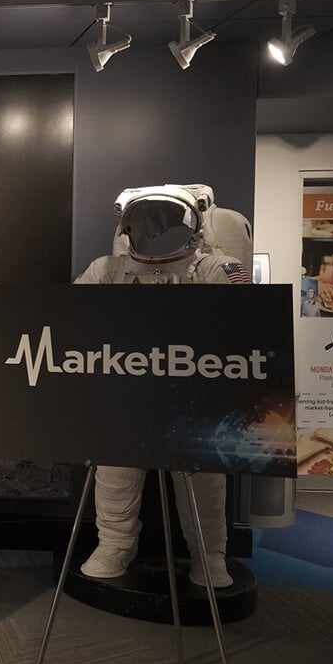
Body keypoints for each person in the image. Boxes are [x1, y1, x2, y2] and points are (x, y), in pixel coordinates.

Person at [76, 184, 251, 588]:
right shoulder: (106, 271)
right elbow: (71, 320)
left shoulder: (215, 269)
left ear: (196, 225)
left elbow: (250, 322)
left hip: (195, 393)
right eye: (146, 221)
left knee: (201, 473)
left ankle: (209, 554)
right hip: (125, 391)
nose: (156, 229)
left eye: (170, 220)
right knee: (115, 467)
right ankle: (115, 545)